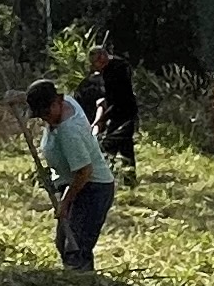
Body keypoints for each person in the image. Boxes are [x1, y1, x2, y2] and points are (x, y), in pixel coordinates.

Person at [20, 77, 120, 272]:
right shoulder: (66, 102)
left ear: (57, 102)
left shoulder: (69, 131)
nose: (44, 118)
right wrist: (19, 96)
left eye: (46, 112)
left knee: (76, 248)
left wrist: (65, 203)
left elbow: (84, 172)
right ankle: (78, 281)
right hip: (74, 184)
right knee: (63, 241)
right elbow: (42, 93)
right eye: (40, 115)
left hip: (93, 189)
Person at [76, 42, 141, 182]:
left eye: (95, 63)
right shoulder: (113, 67)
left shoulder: (117, 69)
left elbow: (117, 97)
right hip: (119, 110)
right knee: (125, 146)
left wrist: (101, 119)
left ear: (102, 58)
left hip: (123, 111)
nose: (95, 67)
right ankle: (129, 178)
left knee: (108, 145)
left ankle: (104, 176)